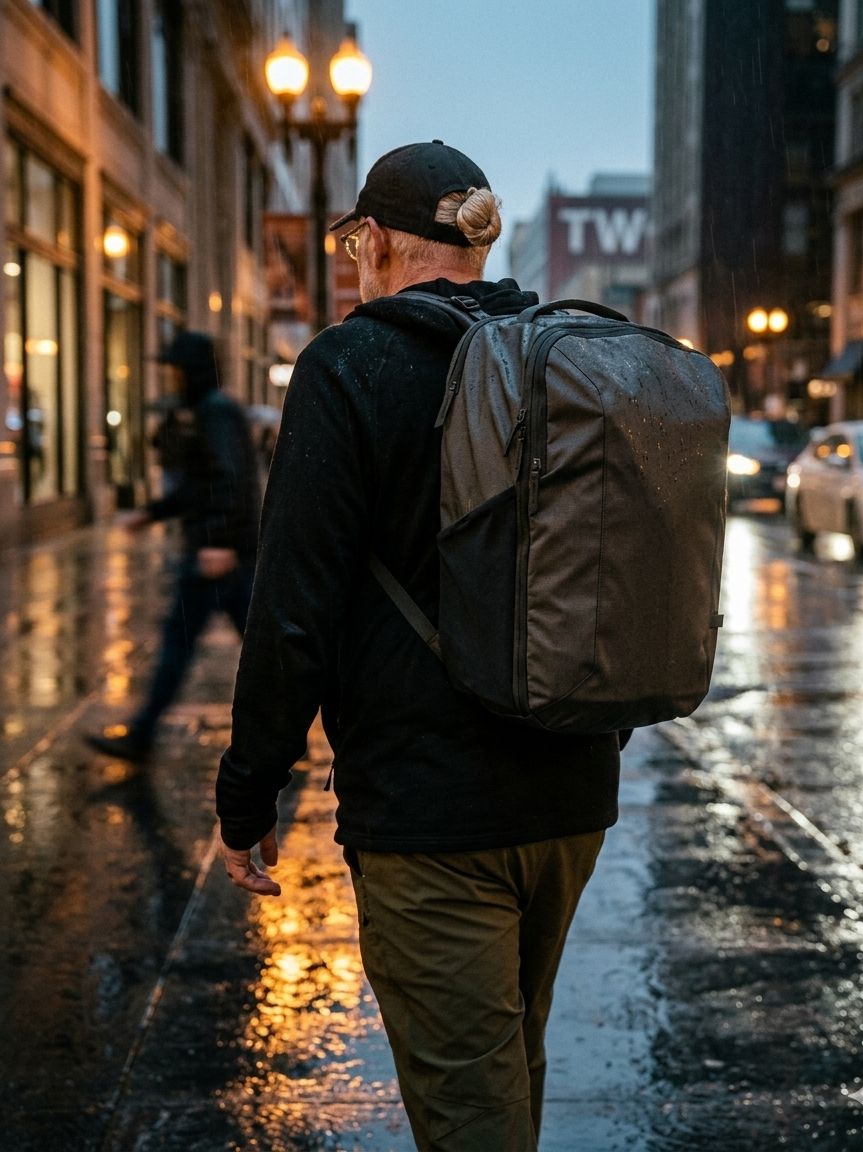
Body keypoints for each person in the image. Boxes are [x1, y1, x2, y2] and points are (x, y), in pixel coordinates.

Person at [216, 142, 623, 1151]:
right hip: (570, 795)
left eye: (357, 239)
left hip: (431, 811)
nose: (355, 257)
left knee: (467, 1113)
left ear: (384, 243)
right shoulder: (561, 354)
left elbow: (292, 607)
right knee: (507, 1073)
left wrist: (248, 790)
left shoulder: (349, 365)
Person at [86, 331, 260, 762]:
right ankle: (142, 735)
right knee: (260, 651)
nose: (171, 378)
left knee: (186, 647)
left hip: (219, 556)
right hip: (220, 552)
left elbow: (229, 479)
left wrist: (220, 542)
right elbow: (199, 487)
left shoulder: (215, 412)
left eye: (176, 370)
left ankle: (142, 736)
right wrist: (151, 513)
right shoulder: (204, 411)